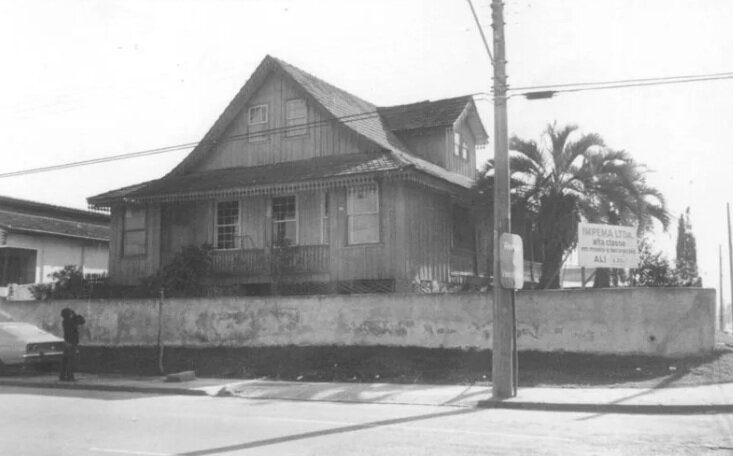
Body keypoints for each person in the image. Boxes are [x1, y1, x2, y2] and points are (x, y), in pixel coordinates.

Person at [59, 308, 85, 381]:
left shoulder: (65, 321)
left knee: (65, 360)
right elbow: (82, 321)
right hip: (71, 343)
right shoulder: (71, 321)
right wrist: (75, 314)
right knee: (71, 360)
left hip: (67, 342)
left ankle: (62, 376)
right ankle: (70, 376)